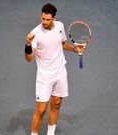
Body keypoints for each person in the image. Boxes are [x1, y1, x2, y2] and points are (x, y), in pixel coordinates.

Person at [24, 3, 85, 135]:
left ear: (54, 18)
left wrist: (75, 49)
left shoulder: (60, 26)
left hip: (60, 72)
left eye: (48, 19)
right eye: (42, 18)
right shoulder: (35, 34)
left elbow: (62, 44)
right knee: (41, 110)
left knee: (56, 104)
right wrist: (28, 44)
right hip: (44, 77)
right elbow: (29, 58)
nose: (44, 22)